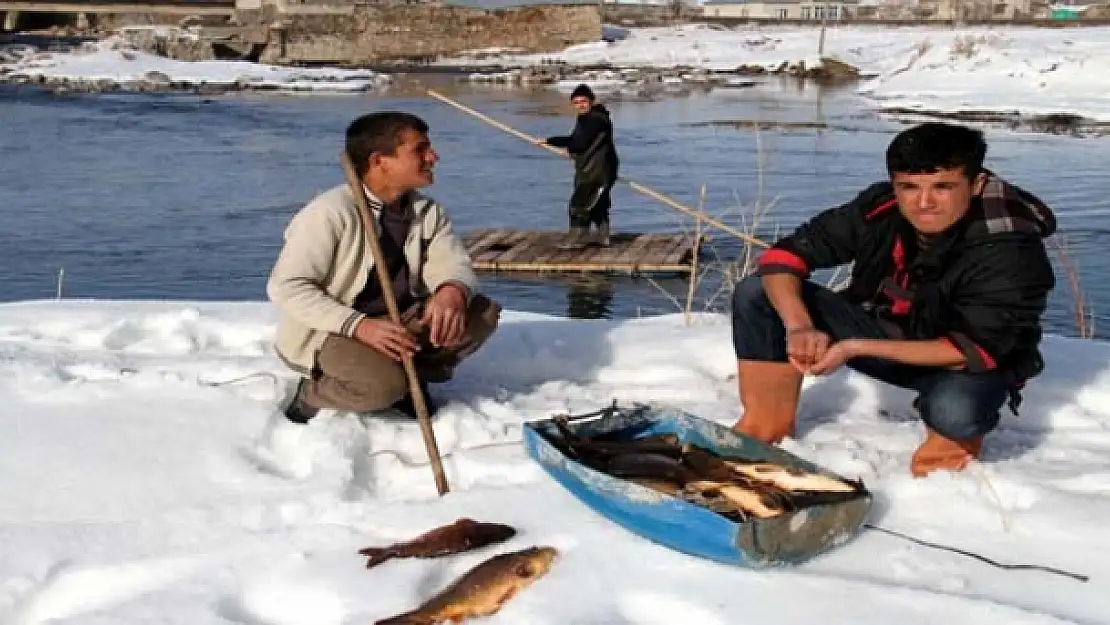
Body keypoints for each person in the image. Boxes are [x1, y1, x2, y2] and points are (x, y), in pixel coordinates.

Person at [729, 122, 1056, 478]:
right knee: (759, 292)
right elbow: (783, 259)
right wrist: (799, 325)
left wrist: (852, 347)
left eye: (943, 187)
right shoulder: (879, 208)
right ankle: (764, 431)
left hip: (963, 362)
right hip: (887, 335)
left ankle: (940, 475)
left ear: (975, 184)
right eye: (909, 187)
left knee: (955, 409)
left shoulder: (1010, 249)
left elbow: (977, 348)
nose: (924, 202)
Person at [267, 111, 501, 424]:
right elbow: (287, 287)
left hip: (399, 320)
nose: (434, 156)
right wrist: (360, 325)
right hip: (335, 329)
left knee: (479, 313)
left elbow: (451, 261)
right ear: (380, 161)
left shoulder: (426, 211)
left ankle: (412, 380)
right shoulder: (329, 212)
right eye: (420, 149)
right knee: (381, 388)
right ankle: (313, 392)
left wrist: (451, 290)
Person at [538, 83, 620, 250]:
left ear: (591, 100)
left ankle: (576, 240)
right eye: (576, 102)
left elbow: (579, 143)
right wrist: (570, 151)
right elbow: (586, 143)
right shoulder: (590, 118)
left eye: (583, 101)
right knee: (598, 204)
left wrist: (553, 141)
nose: (580, 105)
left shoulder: (595, 119)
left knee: (579, 204)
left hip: (596, 170)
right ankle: (604, 238)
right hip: (596, 166)